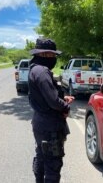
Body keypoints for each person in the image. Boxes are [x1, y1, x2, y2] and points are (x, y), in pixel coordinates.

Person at [28, 38, 74, 183]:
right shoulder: (42, 72)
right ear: (45, 55)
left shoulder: (35, 69)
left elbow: (47, 97)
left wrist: (63, 99)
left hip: (40, 122)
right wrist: (65, 106)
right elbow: (54, 102)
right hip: (50, 126)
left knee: (41, 157)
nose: (54, 58)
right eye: (52, 55)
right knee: (53, 165)